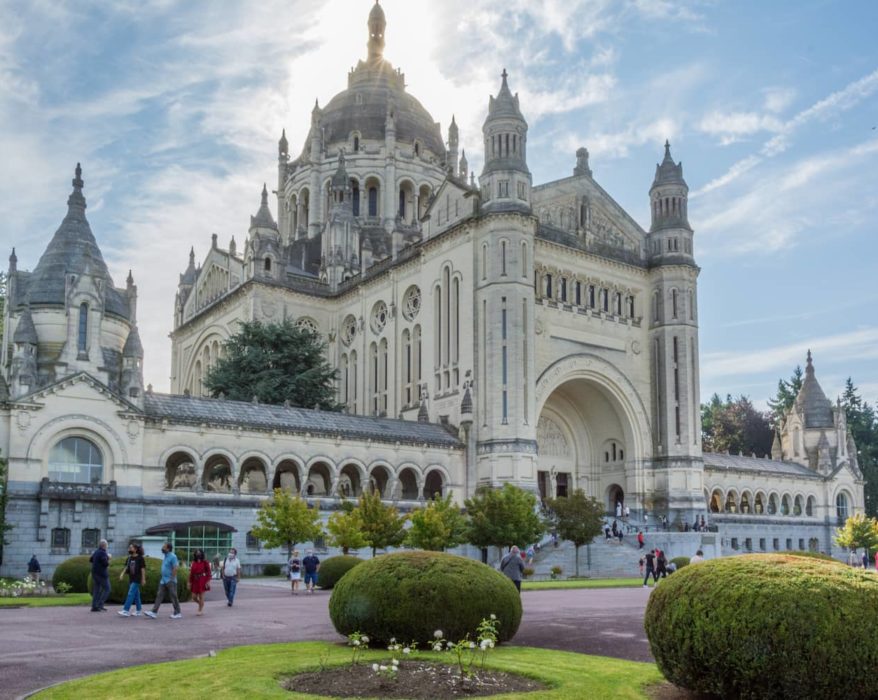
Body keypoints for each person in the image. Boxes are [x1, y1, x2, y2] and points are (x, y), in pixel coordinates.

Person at [144, 542, 181, 619]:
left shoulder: (173, 556)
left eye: (164, 547)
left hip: (170, 580)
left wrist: (172, 578)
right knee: (159, 595)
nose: (162, 548)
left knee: (173, 596)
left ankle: (177, 612)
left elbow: (175, 567)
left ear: (168, 549)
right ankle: (154, 612)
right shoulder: (165, 556)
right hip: (163, 580)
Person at [118, 544, 146, 617]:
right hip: (131, 578)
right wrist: (122, 574)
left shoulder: (140, 558)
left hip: (137, 578)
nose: (129, 549)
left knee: (130, 593)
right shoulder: (129, 558)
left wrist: (143, 579)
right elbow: (126, 567)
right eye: (129, 548)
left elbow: (142, 569)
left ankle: (126, 610)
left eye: (131, 548)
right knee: (136, 595)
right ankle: (138, 610)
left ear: (135, 549)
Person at [89, 539, 111, 612]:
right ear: (104, 546)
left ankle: (94, 606)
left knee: (97, 590)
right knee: (107, 589)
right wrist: (109, 558)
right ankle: (100, 605)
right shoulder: (103, 553)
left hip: (94, 573)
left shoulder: (96, 552)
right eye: (107, 545)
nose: (107, 546)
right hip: (101, 574)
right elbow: (105, 563)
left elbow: (91, 560)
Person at [189, 549, 212, 615]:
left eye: (199, 553)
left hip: (202, 580)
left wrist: (208, 581)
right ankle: (201, 604)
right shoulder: (194, 562)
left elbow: (209, 572)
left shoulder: (205, 562)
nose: (198, 554)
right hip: (195, 581)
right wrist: (189, 582)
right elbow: (191, 573)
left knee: (201, 596)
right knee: (194, 597)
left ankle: (200, 610)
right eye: (196, 553)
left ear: (202, 554)